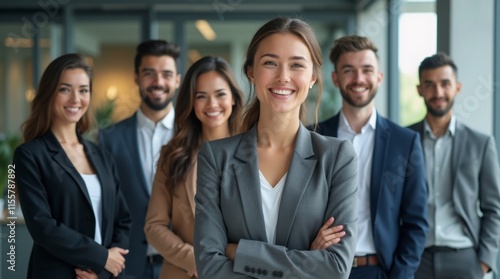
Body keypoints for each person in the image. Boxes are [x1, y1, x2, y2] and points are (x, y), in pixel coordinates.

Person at [194, 17, 358, 279]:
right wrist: (306, 259)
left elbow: (336, 268)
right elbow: (210, 267)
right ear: (251, 72)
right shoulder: (216, 158)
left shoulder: (337, 158)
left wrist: (240, 252)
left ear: (313, 77)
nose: (283, 76)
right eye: (270, 63)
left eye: (296, 65)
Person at [316, 35, 428, 279]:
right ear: (335, 78)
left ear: (379, 77)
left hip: (380, 271)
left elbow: (416, 223)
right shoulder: (313, 137)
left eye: (367, 70)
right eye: (349, 70)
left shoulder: (405, 142)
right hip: (323, 269)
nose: (358, 79)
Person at [13, 53, 131, 279]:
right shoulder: (30, 155)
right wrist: (99, 257)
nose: (76, 98)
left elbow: (122, 219)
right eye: (65, 89)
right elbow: (42, 227)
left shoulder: (101, 154)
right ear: (49, 93)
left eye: (83, 90)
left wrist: (103, 270)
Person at [144, 56, 244, 279]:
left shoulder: (255, 153)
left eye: (220, 94)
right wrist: (194, 259)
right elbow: (154, 226)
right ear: (191, 102)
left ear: (234, 98)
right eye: (201, 96)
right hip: (184, 273)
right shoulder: (173, 155)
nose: (212, 105)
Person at [409, 53, 500, 279]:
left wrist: (484, 262)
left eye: (445, 84)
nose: (438, 92)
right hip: (416, 258)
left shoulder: (481, 143)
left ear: (457, 87)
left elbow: (493, 207)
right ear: (420, 89)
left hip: (465, 258)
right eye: (429, 85)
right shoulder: (404, 140)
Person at [99, 40, 181, 278]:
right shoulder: (109, 139)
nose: (158, 82)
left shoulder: (194, 135)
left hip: (182, 265)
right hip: (126, 266)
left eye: (167, 74)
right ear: (136, 78)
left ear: (177, 79)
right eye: (149, 74)